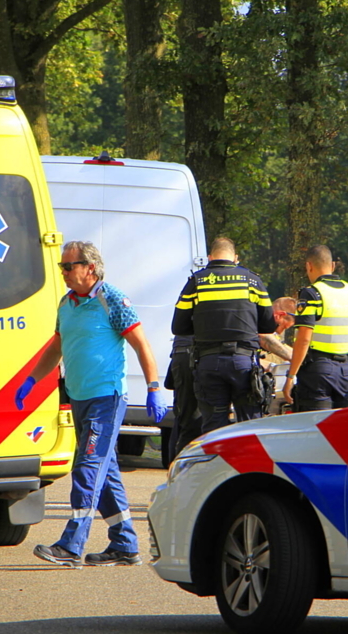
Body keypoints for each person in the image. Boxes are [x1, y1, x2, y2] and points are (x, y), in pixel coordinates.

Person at [14, 241, 166, 568]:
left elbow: (141, 345)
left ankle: (71, 545)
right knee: (105, 473)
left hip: (106, 399)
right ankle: (125, 545)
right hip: (79, 399)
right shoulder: (66, 303)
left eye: (69, 266)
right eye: (62, 267)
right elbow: (57, 346)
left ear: (91, 268)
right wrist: (31, 380)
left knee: (87, 469)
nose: (64, 272)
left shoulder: (112, 299)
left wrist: (154, 388)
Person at [171, 236, 277, 433]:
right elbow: (269, 325)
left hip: (209, 362)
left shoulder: (197, 282)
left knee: (213, 426)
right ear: (235, 258)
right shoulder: (252, 281)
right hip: (244, 363)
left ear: (210, 257)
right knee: (249, 426)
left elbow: (178, 327)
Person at [283, 245, 348, 411]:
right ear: (333, 266)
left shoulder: (312, 294)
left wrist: (291, 376)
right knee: (339, 423)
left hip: (318, 371)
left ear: (309, 266)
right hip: (347, 370)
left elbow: (304, 339)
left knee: (316, 422)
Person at [164, 333, 201, 465]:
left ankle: (176, 469)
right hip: (195, 351)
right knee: (192, 421)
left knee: (185, 420)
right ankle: (181, 469)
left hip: (184, 351)